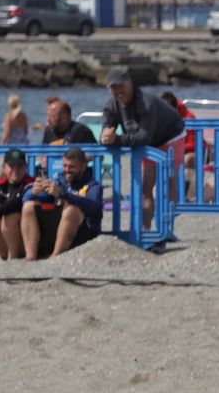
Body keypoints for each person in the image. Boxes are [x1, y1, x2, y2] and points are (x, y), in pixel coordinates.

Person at [100, 68, 184, 231]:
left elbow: (144, 137)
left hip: (172, 135)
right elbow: (106, 133)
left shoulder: (147, 102)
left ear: (130, 84)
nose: (118, 91)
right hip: (149, 142)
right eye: (113, 87)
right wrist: (105, 138)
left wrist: (116, 139)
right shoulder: (110, 107)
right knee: (145, 187)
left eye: (121, 86)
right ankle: (145, 229)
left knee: (168, 181)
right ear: (109, 89)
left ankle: (167, 227)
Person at [19, 146, 103, 261]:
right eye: (64, 166)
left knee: (72, 209)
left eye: (72, 167)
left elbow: (93, 207)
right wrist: (34, 192)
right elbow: (26, 199)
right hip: (59, 232)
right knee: (28, 206)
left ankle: (56, 257)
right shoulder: (59, 181)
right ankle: (31, 256)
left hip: (84, 234)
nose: (67, 170)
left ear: (83, 166)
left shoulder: (93, 186)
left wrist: (62, 194)